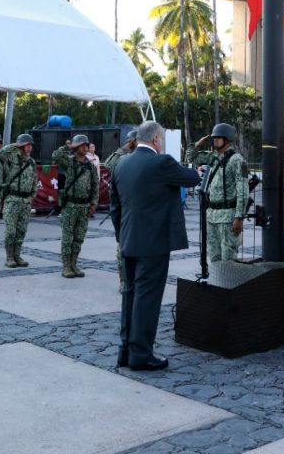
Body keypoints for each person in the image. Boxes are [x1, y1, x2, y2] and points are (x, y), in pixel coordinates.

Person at [110, 120, 200, 372]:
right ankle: (141, 354)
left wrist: (122, 236)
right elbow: (191, 178)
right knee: (147, 298)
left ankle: (125, 350)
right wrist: (198, 169)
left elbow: (115, 207)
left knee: (130, 295)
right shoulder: (161, 162)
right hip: (153, 244)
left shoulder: (121, 163)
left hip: (128, 241)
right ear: (156, 140)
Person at [186, 122, 249, 263]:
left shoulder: (237, 160)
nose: (215, 140)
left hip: (228, 216)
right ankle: (216, 283)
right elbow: (189, 158)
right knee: (214, 258)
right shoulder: (213, 157)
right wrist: (197, 144)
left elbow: (243, 189)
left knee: (228, 259)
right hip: (212, 215)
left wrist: (239, 217)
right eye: (214, 137)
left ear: (227, 139)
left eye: (218, 137)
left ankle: (228, 285)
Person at [52, 134, 99, 277]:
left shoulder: (90, 166)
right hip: (70, 205)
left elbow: (94, 185)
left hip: (84, 206)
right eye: (82, 145)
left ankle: (74, 264)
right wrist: (67, 146)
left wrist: (94, 203)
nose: (85, 148)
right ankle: (66, 267)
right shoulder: (70, 162)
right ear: (76, 147)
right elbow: (56, 156)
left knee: (79, 238)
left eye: (86, 145)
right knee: (68, 237)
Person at [104, 129, 139, 293]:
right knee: (123, 249)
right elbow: (109, 165)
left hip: (141, 210)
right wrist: (123, 149)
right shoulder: (123, 159)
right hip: (125, 211)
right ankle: (124, 280)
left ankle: (138, 280)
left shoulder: (145, 157)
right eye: (135, 140)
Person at [0, 133, 38, 267]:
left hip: (25, 200)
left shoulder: (31, 162)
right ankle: (9, 257)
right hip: (12, 199)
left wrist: (32, 195)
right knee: (11, 231)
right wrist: (16, 144)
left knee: (21, 230)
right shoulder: (12, 158)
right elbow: (1, 153)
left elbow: (34, 179)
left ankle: (17, 255)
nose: (29, 147)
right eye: (27, 145)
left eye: (30, 145)